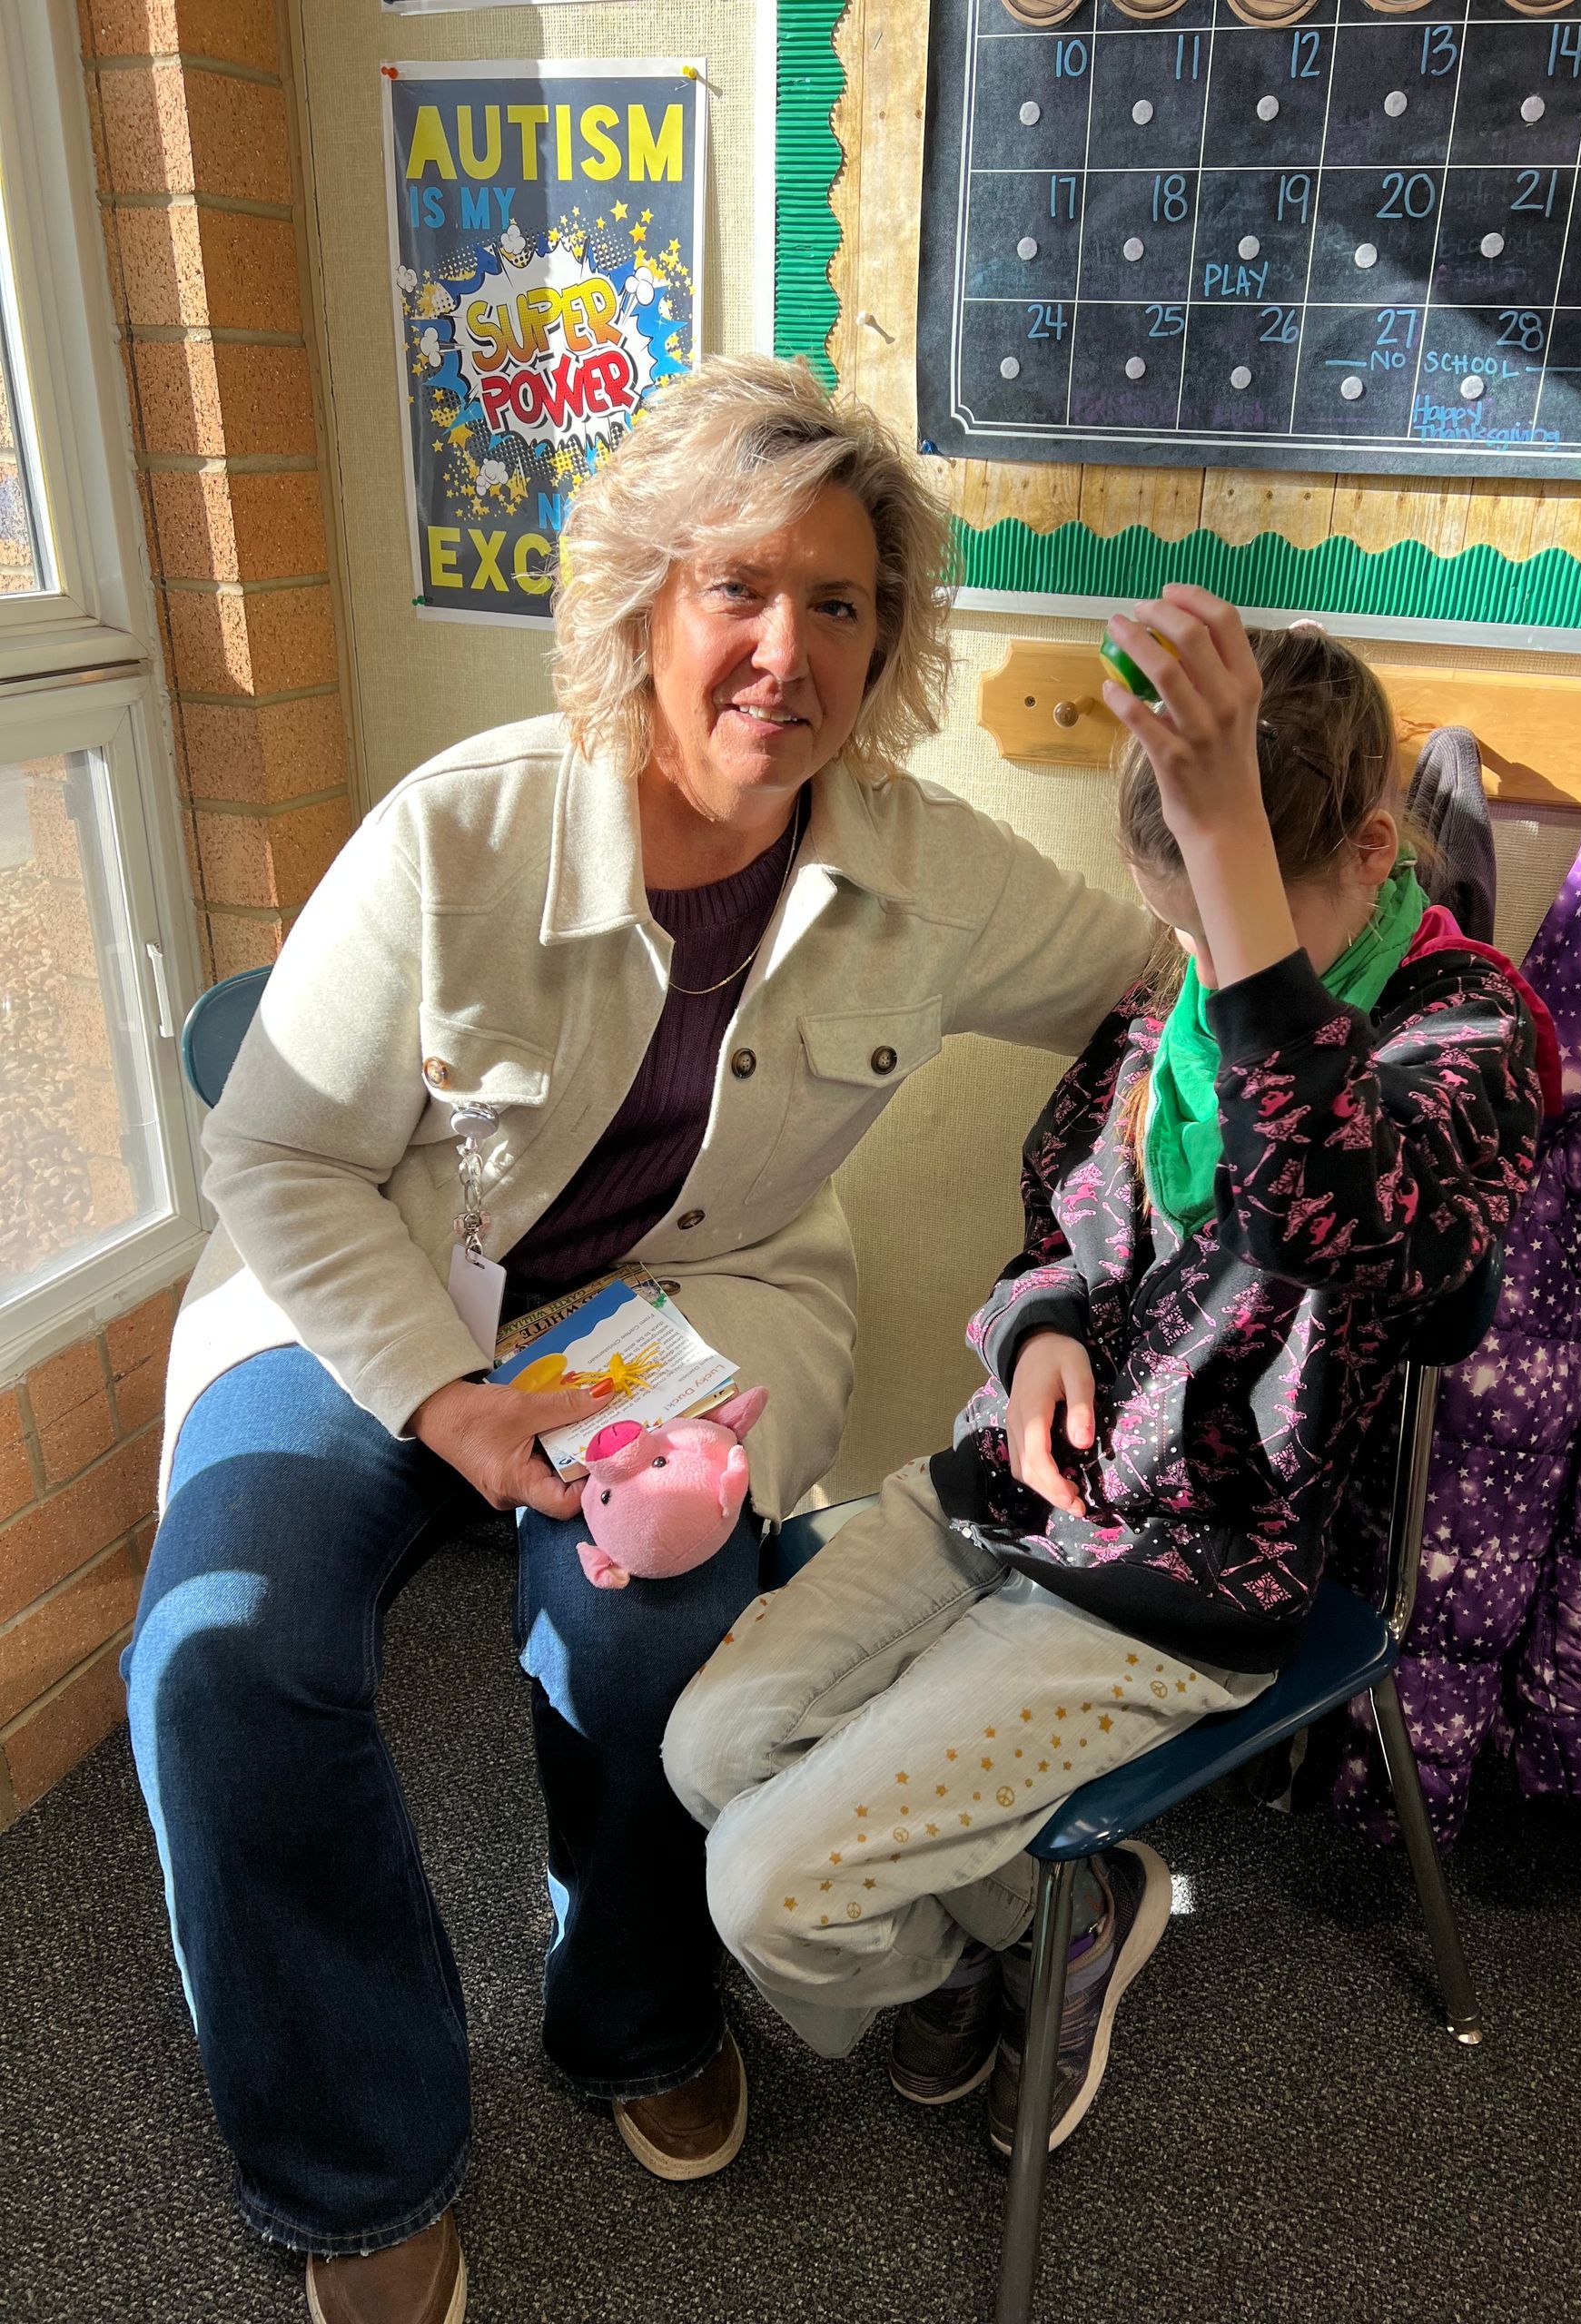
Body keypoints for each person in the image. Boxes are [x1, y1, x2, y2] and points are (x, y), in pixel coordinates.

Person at [124, 355, 1153, 2324]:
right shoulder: (462, 835)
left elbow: (1156, 1001)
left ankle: (637, 2006)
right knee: (221, 1658)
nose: (787, 649)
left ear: (890, 636)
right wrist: (438, 1394)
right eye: (737, 589)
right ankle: (355, 2163)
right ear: (644, 608)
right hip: (368, 1287)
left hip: (680, 1319)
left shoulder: (930, 871)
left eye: (840, 601)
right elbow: (272, 1149)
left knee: (650, 1624)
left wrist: (1077, 1277)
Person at [667, 593, 1546, 2157]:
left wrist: (1240, 908)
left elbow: (1334, 1228)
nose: (1206, 970)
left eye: (1238, 922)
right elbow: (1067, 1210)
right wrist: (1044, 1329)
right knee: (709, 1750)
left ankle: (1003, 1946)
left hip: (1188, 1578)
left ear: (1364, 852)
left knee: (769, 1888)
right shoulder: (1181, 1008)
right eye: (1185, 920)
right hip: (1012, 1492)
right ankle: (1036, 1923)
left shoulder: (1468, 1031)